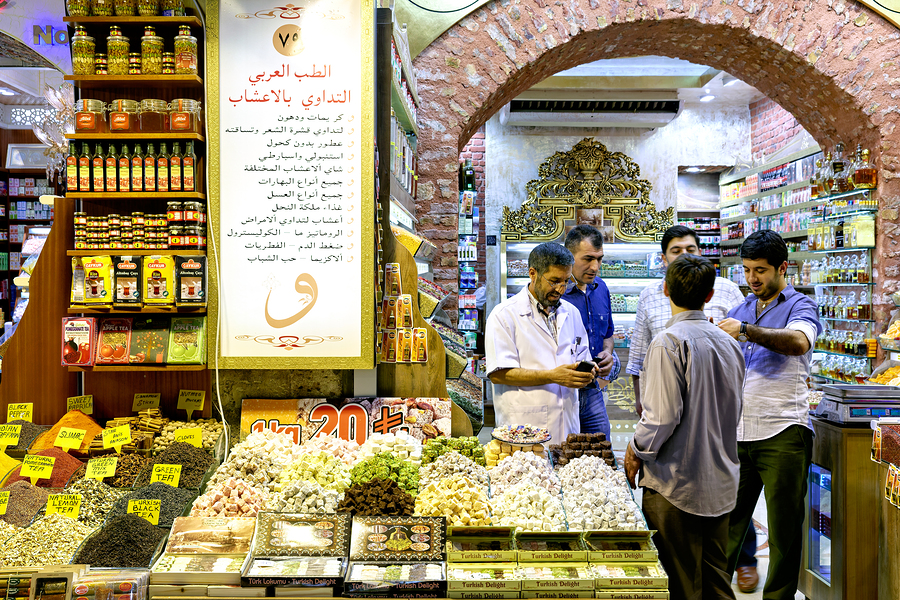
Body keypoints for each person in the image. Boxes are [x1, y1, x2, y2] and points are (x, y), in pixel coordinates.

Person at [625, 225, 762, 591]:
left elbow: (661, 417)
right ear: (711, 295)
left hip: (676, 484)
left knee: (681, 581)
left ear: (667, 290)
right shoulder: (730, 343)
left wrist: (636, 449)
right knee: (717, 577)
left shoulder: (668, 342)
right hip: (720, 477)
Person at [717, 230, 822, 600]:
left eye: (760, 270)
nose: (752, 279)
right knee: (726, 526)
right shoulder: (741, 308)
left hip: (784, 431)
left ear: (782, 267)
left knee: (784, 533)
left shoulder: (800, 306)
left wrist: (746, 332)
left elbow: (797, 343)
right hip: (738, 432)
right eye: (746, 270)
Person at [485, 242, 604, 442]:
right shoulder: (504, 315)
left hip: (567, 424)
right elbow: (499, 373)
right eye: (554, 281)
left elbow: (582, 356)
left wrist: (588, 371)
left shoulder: (571, 313)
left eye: (566, 281)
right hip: (524, 426)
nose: (561, 289)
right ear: (533, 273)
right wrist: (552, 376)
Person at [563, 225, 618, 440]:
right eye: (587, 259)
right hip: (563, 391)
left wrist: (608, 353)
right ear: (569, 255)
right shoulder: (556, 293)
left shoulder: (601, 288)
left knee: (601, 452)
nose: (595, 266)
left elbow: (608, 334)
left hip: (593, 390)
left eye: (599, 259)